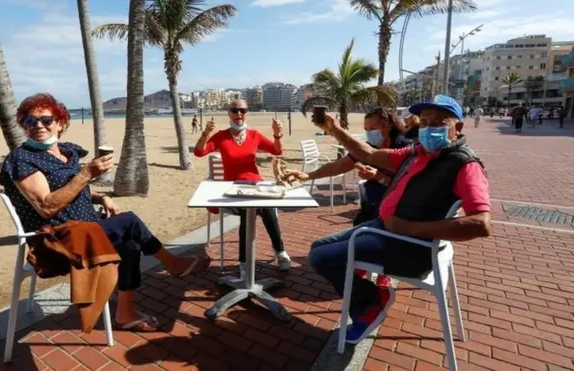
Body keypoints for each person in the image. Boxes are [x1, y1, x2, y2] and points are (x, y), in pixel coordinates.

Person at [0, 93, 209, 332]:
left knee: (130, 244)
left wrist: (102, 196)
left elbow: (72, 189)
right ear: (23, 126)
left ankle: (125, 313)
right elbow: (46, 206)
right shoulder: (22, 159)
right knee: (129, 221)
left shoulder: (66, 152)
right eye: (30, 121)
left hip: (89, 231)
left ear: (61, 123)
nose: (38, 126)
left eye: (46, 119)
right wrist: (86, 173)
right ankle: (173, 263)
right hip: (57, 241)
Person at [305, 95, 491, 344]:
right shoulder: (417, 152)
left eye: (438, 122)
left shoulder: (465, 165)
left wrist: (410, 227)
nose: (428, 128)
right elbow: (368, 153)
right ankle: (371, 296)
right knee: (318, 247)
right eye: (424, 122)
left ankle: (370, 304)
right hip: (384, 230)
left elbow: (481, 224)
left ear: (457, 128)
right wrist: (334, 129)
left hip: (406, 247)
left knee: (320, 258)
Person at [285, 107, 413, 289]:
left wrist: (379, 177)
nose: (369, 134)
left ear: (386, 124)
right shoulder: (370, 148)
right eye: (366, 130)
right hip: (370, 213)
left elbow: (410, 188)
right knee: (323, 248)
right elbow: (338, 166)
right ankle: (360, 270)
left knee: (327, 254)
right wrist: (309, 176)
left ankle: (382, 279)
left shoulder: (405, 148)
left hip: (393, 220)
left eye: (372, 129)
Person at [193, 99, 291, 277]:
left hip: (256, 186)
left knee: (267, 209)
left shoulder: (254, 135)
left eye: (243, 110)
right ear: (229, 113)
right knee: (249, 211)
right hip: (232, 189)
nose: (239, 114)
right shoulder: (221, 136)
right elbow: (199, 152)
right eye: (234, 110)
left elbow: (277, 151)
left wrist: (277, 135)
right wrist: (206, 133)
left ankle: (279, 251)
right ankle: (245, 262)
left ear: (247, 113)